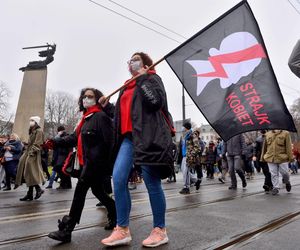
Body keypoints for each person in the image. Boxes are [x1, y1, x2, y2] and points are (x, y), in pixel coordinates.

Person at [101, 52, 173, 247]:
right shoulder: (126, 86)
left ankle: (160, 229)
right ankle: (122, 229)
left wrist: (143, 80)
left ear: (145, 63)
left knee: (151, 182)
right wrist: (108, 108)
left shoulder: (151, 79)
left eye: (136, 59)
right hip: (128, 139)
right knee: (118, 178)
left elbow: (156, 102)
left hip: (148, 137)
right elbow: (122, 114)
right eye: (130, 60)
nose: (131, 62)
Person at [48, 88, 116, 243]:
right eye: (84, 96)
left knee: (80, 192)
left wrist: (105, 165)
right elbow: (73, 138)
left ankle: (67, 230)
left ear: (98, 99)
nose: (86, 99)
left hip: (96, 164)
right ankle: (115, 213)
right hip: (87, 163)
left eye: (90, 96)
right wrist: (55, 142)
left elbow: (110, 143)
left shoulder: (101, 117)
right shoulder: (86, 119)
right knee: (98, 192)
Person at [15, 116, 45, 200]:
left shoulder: (39, 131)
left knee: (30, 172)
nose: (30, 122)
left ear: (36, 122)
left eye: (32, 120)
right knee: (26, 171)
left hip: (33, 154)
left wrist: (31, 153)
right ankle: (30, 193)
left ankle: (37, 189)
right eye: (30, 120)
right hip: (28, 152)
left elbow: (38, 143)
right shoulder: (32, 131)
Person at [260, 130, 293, 195]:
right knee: (273, 173)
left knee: (285, 173)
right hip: (270, 157)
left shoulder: (286, 133)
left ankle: (287, 182)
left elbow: (288, 146)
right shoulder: (268, 134)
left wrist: (290, 158)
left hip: (282, 157)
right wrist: (262, 157)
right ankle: (276, 188)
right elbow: (265, 147)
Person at [177, 122, 199, 194]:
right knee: (184, 172)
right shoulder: (183, 136)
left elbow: (197, 147)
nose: (182, 128)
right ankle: (196, 180)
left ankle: (186, 187)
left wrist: (191, 155)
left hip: (189, 157)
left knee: (185, 172)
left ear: (186, 128)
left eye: (183, 127)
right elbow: (181, 147)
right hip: (183, 156)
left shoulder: (193, 135)